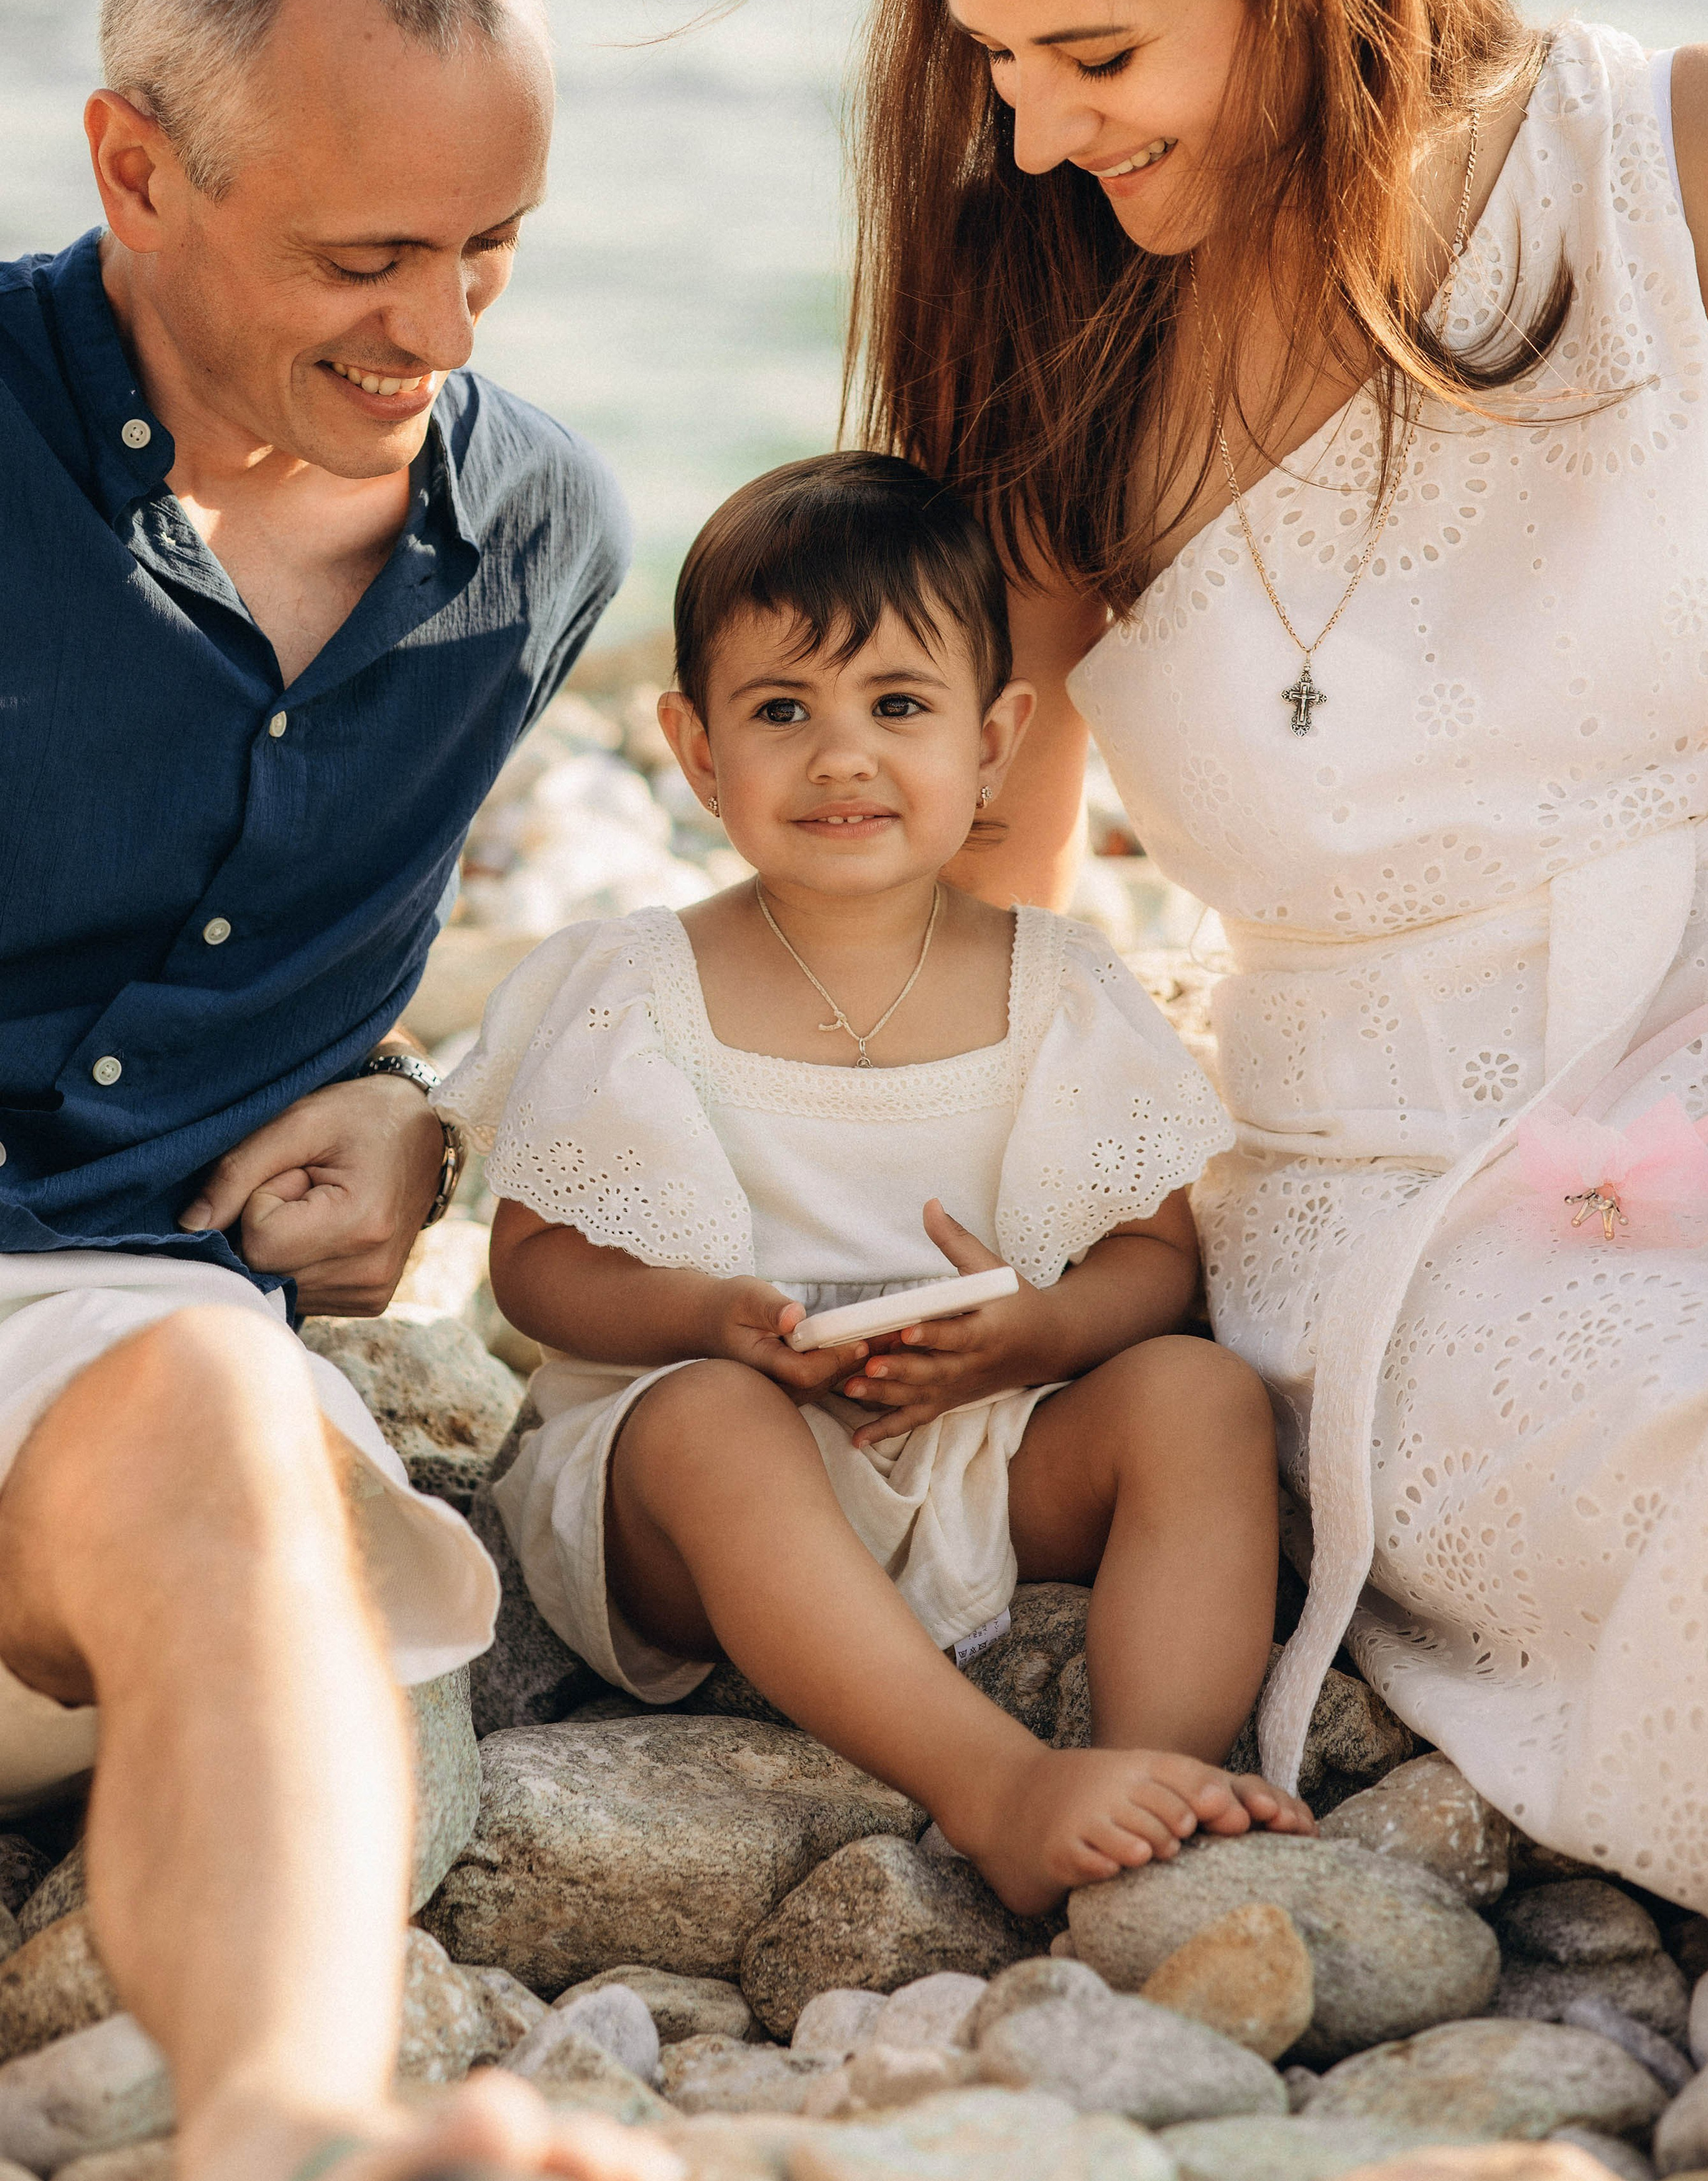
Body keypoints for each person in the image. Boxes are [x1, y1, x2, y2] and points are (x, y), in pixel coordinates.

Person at [841, 0, 1708, 1919]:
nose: (1031, 130)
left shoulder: (1676, 170)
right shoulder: (1053, 378)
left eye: (1096, 47)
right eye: (995, 56)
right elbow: (967, 931)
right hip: (1413, 1211)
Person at [0, 0, 672, 2181]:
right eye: (369, 254)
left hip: (99, 1396)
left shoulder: (540, 547)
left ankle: (286, 2128)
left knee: (208, 1406)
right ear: (136, 166)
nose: (440, 333)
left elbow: (343, 964)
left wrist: (409, 1105)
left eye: (494, 252)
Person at [442, 452, 1311, 1912]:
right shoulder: (642, 984)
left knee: (1196, 1396)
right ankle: (996, 1786)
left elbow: (1154, 1257)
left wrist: (1032, 1335)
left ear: (993, 739)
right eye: (781, 712)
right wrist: (702, 1318)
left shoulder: (1054, 986)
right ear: (695, 749)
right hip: (688, 1503)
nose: (840, 758)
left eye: (897, 708)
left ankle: (1156, 1770)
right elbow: (529, 1268)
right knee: (712, 1424)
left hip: (973, 1454)